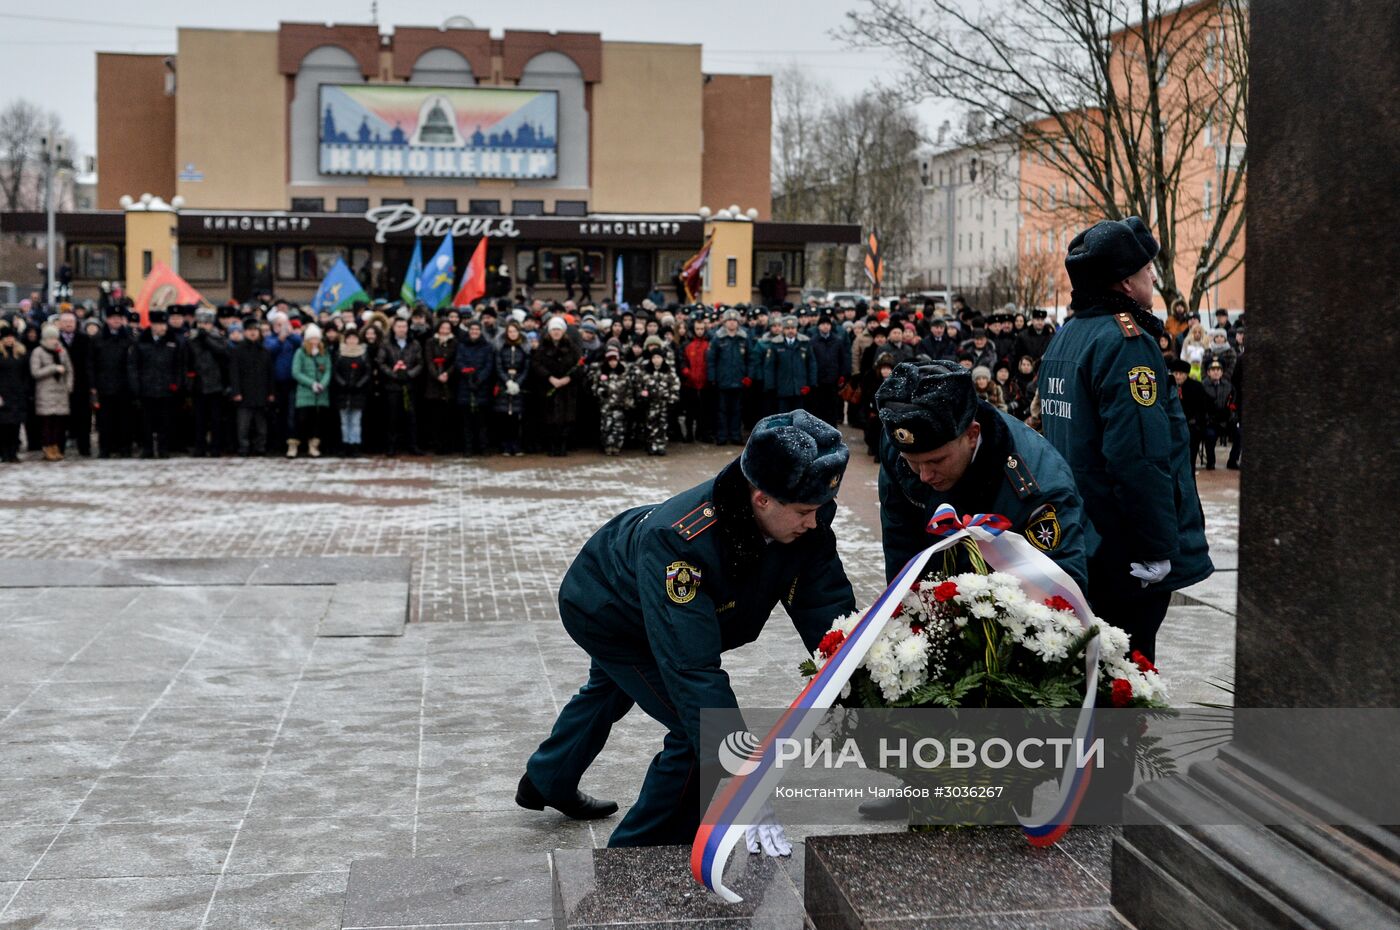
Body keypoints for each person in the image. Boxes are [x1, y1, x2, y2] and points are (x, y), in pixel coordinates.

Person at [518, 411, 856, 850]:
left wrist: (854, 678)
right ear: (761, 498)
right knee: (694, 732)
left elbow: (825, 606)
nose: (814, 522)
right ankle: (638, 859)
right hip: (609, 610)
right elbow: (691, 671)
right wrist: (744, 783)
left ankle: (547, 779)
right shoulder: (680, 541)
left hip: (649, 600)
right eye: (804, 512)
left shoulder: (802, 514)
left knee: (608, 691)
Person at [1037, 216, 1213, 662]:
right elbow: (1140, 455)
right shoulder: (1125, 342)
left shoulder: (1068, 337)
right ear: (1125, 284)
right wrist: (1155, 546)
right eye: (1145, 270)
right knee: (1126, 678)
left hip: (1082, 536)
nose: (1152, 276)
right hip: (1123, 551)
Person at [128, 309, 182, 458]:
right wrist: (136, 385)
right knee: (147, 422)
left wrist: (176, 383)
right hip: (147, 388)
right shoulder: (141, 341)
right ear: (152, 325)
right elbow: (133, 365)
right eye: (160, 324)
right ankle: (147, 449)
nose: (163, 328)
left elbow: (178, 366)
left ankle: (163, 449)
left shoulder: (172, 341)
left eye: (164, 324)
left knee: (165, 422)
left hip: (166, 388)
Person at [533, 316, 581, 457]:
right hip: (549, 387)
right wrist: (549, 377)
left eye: (558, 329)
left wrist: (568, 378)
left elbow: (579, 365)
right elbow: (536, 365)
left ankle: (563, 445)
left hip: (567, 388)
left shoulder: (572, 347)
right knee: (550, 419)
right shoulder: (543, 347)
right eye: (553, 329)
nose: (556, 332)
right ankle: (552, 446)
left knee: (566, 419)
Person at [185, 308, 230, 457]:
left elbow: (223, 353)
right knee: (199, 420)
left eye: (207, 323)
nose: (204, 326)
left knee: (216, 420)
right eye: (201, 323)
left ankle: (215, 447)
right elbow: (186, 361)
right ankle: (200, 447)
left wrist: (206, 339)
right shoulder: (191, 339)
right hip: (198, 384)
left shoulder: (219, 337)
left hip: (216, 384)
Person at [91, 305, 133, 457]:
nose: (116, 320)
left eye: (119, 318)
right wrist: (93, 384)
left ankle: (124, 448)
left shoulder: (129, 338)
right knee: (104, 420)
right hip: (104, 385)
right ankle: (105, 448)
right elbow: (91, 363)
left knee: (124, 419)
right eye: (113, 318)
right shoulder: (97, 338)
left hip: (124, 385)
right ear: (107, 319)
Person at [229, 318, 274, 457]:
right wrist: (236, 391)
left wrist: (271, 392)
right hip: (244, 392)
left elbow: (270, 373)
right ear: (245, 332)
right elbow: (234, 373)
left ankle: (260, 447)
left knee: (261, 425)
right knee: (243, 424)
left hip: (261, 392)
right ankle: (244, 447)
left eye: (255, 330)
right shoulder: (238, 350)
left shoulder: (264, 350)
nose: (253, 333)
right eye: (250, 330)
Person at [706, 309, 751, 446]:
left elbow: (750, 359)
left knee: (737, 410)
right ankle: (722, 436)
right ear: (725, 322)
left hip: (739, 381)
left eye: (734, 320)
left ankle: (736, 436)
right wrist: (712, 377)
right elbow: (711, 360)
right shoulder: (718, 338)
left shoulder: (744, 338)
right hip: (723, 381)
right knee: (722, 411)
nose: (732, 323)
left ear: (738, 323)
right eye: (729, 320)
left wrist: (748, 376)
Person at [379, 317, 423, 456]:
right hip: (392, 386)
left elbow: (420, 363)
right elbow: (381, 362)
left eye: (404, 326)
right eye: (399, 326)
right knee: (392, 417)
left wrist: (409, 374)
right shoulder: (386, 344)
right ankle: (391, 446)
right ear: (393, 328)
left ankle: (412, 445)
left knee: (411, 417)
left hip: (410, 385)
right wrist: (394, 374)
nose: (401, 329)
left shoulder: (414, 344)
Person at [31, 325, 73, 461]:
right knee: (47, 423)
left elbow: (69, 369)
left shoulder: (62, 351)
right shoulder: (38, 352)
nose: (54, 341)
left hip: (61, 392)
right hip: (45, 392)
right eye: (50, 338)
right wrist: (53, 368)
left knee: (59, 423)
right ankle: (47, 447)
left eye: (55, 338)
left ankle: (56, 447)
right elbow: (35, 372)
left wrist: (69, 385)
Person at [454, 319, 496, 456]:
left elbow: (489, 365)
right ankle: (468, 448)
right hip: (465, 386)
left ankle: (483, 447)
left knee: (482, 420)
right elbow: (459, 362)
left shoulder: (487, 346)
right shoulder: (462, 345)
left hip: (481, 387)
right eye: (472, 330)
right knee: (466, 421)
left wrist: (479, 379)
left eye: (477, 330)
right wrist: (467, 375)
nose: (474, 332)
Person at [290, 324, 332, 458]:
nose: (314, 342)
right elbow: (296, 372)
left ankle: (313, 446)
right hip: (305, 393)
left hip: (320, 394)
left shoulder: (324, 353)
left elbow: (328, 371)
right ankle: (294, 445)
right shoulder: (300, 352)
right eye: (311, 339)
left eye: (317, 339)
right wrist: (311, 383)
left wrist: (322, 384)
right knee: (301, 420)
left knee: (317, 421)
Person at [632, 342, 680, 456]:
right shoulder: (646, 372)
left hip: (664, 404)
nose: (656, 360)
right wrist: (642, 397)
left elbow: (675, 386)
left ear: (663, 358)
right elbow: (639, 386)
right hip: (651, 404)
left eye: (659, 357)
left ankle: (661, 445)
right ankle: (651, 445)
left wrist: (672, 400)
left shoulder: (669, 372)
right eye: (654, 357)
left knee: (662, 425)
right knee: (650, 425)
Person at [765, 315, 816, 414]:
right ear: (783, 330)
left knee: (799, 417)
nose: (790, 331)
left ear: (797, 329)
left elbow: (811, 364)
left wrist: (811, 384)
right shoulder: (775, 344)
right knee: (784, 416)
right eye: (787, 328)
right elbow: (769, 367)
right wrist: (770, 386)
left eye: (793, 328)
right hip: (782, 388)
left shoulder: (804, 342)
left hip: (800, 388)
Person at [333, 328, 371, 456]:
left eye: (354, 338)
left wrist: (359, 384)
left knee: (356, 421)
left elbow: (367, 372)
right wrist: (343, 383)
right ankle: (345, 444)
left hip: (358, 393)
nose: (352, 341)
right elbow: (335, 371)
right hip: (342, 392)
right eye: (349, 338)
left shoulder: (363, 354)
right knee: (344, 421)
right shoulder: (339, 353)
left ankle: (355, 444)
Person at [422, 319, 458, 455]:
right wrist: (437, 375)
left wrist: (447, 373)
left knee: (448, 417)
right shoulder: (431, 342)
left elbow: (455, 361)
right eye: (442, 327)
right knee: (435, 416)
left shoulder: (454, 343)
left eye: (447, 328)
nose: (445, 330)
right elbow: (429, 360)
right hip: (434, 383)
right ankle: (437, 445)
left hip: (449, 383)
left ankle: (448, 445)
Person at [495, 320, 530, 456]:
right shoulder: (501, 347)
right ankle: (505, 445)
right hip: (504, 383)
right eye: (510, 331)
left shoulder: (523, 347)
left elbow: (526, 367)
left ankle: (517, 445)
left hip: (519, 383)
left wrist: (518, 382)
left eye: (515, 331)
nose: (512, 334)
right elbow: (498, 366)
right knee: (504, 418)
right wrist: (507, 381)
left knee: (517, 417)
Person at [1170, 358, 1209, 470]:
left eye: (1180, 374)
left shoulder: (1196, 387)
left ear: (1186, 374)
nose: (1177, 376)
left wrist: (1197, 425)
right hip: (1173, 427)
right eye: (1175, 373)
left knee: (1189, 460)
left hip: (1191, 427)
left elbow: (1202, 409)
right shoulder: (1168, 387)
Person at [1200, 360, 1232, 470]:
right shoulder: (1202, 386)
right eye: (1213, 370)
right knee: (1210, 435)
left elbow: (1233, 404)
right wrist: (1209, 420)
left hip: (1226, 420)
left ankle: (1232, 460)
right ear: (1208, 372)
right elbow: (1201, 408)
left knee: (1239, 434)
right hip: (1210, 422)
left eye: (1218, 370)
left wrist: (1232, 418)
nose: (1216, 372)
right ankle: (1211, 461)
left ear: (1222, 372)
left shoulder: (1228, 386)